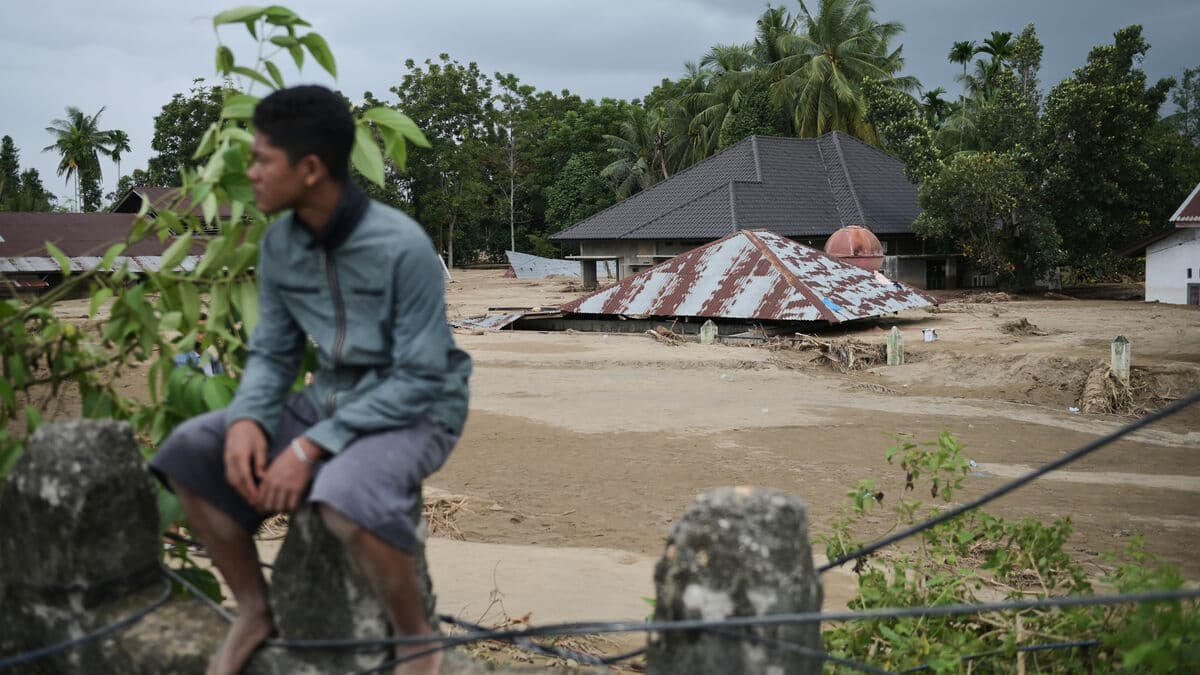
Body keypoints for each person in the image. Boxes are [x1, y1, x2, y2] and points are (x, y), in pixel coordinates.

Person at [150, 85, 471, 675]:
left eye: (263, 160)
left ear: (311, 168)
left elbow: (421, 375)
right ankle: (254, 609)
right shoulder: (279, 245)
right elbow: (273, 351)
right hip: (328, 397)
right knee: (191, 452)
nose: (252, 174)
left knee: (345, 494)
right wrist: (248, 416)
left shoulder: (405, 248)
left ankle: (417, 637)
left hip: (421, 408)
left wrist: (308, 445)